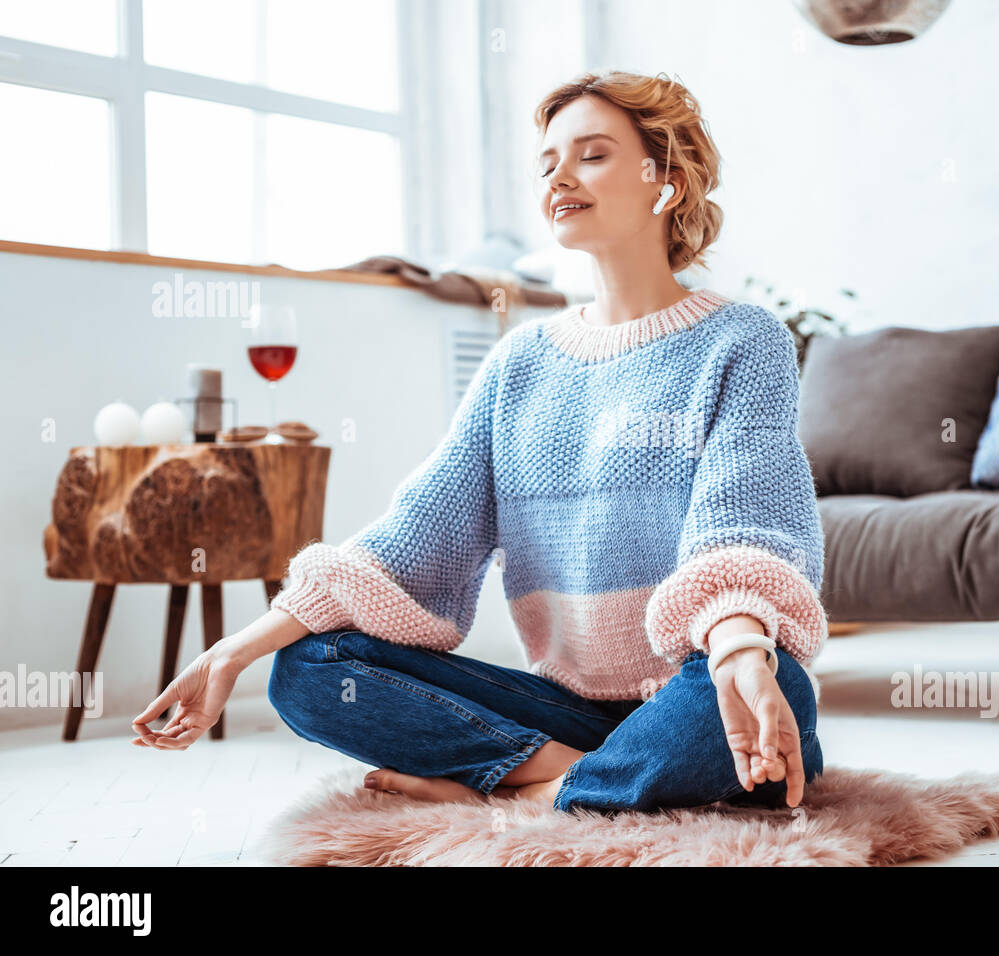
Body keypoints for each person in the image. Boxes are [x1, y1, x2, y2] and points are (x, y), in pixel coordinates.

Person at [131, 69, 829, 816]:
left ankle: (540, 786)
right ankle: (587, 777)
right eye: (548, 163)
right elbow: (405, 546)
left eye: (591, 154)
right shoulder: (519, 364)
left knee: (774, 683)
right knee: (307, 668)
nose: (559, 175)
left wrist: (735, 651)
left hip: (696, 689)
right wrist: (229, 653)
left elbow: (739, 528)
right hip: (561, 708)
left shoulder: (742, 339)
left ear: (668, 177)